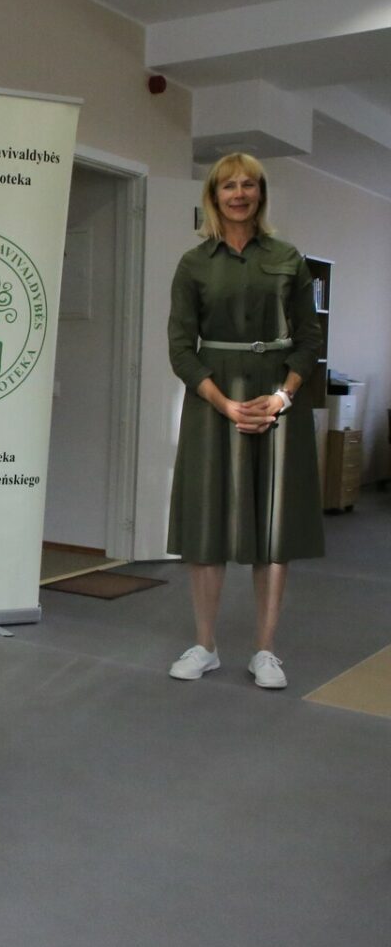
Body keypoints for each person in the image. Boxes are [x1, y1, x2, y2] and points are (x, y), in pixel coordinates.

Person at [166, 154, 324, 689]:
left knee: (273, 525)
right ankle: (205, 645)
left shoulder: (287, 258)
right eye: (229, 185)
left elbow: (309, 339)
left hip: (276, 399)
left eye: (249, 185)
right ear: (214, 195)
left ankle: (266, 651)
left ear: (261, 193)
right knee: (206, 522)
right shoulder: (193, 264)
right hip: (213, 400)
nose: (239, 194)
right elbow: (181, 348)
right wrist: (225, 404)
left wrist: (282, 396)